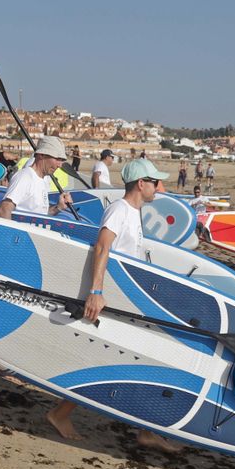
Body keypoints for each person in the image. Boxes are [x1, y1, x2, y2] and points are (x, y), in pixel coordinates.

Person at [48, 157, 181, 452]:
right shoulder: (119, 210)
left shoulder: (134, 213)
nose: (160, 187)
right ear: (141, 184)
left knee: (138, 358)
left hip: (126, 300)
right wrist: (95, 291)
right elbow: (102, 246)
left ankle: (145, 430)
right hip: (112, 300)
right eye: (156, 182)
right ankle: (60, 414)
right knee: (105, 359)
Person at [0, 135, 75, 218]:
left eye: (62, 160)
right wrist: (11, 231)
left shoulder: (43, 180)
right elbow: (4, 209)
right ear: (41, 155)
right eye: (57, 159)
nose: (59, 165)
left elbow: (39, 215)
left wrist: (58, 207)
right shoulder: (25, 177)